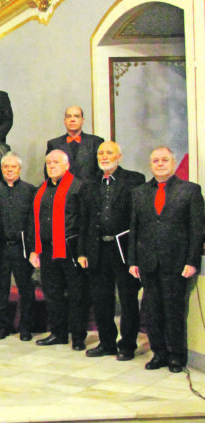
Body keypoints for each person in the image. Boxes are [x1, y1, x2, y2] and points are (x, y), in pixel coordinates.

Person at [129, 146, 205, 372]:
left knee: (174, 311)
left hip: (177, 263)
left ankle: (176, 357)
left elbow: (197, 230)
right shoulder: (139, 193)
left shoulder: (190, 191)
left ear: (172, 163)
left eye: (164, 160)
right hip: (148, 262)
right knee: (152, 311)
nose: (160, 164)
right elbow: (134, 229)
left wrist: (192, 261)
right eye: (155, 161)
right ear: (150, 165)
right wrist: (133, 261)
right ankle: (159, 354)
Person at [77, 141, 145, 361]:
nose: (104, 156)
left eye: (109, 152)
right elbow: (84, 221)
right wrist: (82, 252)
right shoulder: (89, 184)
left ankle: (127, 345)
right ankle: (107, 343)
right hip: (97, 249)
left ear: (119, 156)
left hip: (123, 249)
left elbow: (139, 220)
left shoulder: (135, 180)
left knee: (127, 299)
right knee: (101, 299)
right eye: (100, 153)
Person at [30, 151, 88, 351]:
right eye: (48, 163)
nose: (52, 166)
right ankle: (58, 333)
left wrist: (82, 252)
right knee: (52, 293)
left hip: (70, 249)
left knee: (76, 294)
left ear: (66, 165)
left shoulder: (78, 187)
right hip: (46, 249)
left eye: (56, 162)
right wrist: (34, 250)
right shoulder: (41, 189)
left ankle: (79, 337)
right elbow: (34, 221)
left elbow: (83, 222)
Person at [0, 152, 37, 340]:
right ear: (1, 169)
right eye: (6, 167)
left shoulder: (30, 191)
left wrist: (33, 249)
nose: (9, 170)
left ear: (19, 169)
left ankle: (25, 328)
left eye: (13, 167)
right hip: (0, 247)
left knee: (26, 289)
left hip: (22, 247)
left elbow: (33, 222)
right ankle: (2, 327)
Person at [45, 106, 104, 181]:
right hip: (64, 190)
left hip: (90, 191)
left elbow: (101, 171)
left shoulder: (96, 142)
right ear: (64, 121)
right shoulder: (54, 144)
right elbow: (49, 173)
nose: (72, 119)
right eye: (69, 117)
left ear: (82, 120)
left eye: (76, 116)